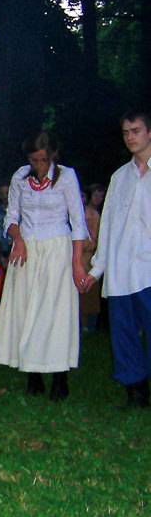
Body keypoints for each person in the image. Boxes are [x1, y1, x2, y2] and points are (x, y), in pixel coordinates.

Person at [0, 131, 88, 401]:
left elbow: (77, 222)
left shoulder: (67, 176)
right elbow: (10, 216)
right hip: (26, 250)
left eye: (43, 160)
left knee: (54, 314)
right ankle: (33, 376)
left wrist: (77, 263)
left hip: (57, 248)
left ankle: (59, 378)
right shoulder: (20, 177)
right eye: (34, 160)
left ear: (53, 155)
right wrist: (18, 238)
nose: (39, 165)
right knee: (26, 309)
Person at [82, 109, 151, 407]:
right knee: (124, 334)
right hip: (122, 271)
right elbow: (108, 224)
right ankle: (135, 391)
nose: (130, 137)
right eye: (126, 132)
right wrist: (96, 270)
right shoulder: (119, 177)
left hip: (149, 268)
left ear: (149, 132)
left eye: (136, 130)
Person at [79, 187, 101, 333]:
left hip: (87, 259)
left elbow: (94, 240)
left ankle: (89, 326)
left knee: (89, 292)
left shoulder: (92, 214)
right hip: (70, 259)